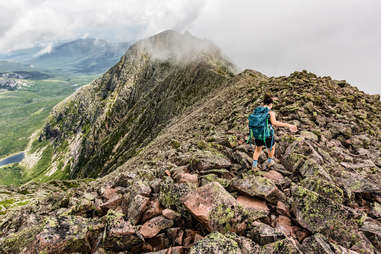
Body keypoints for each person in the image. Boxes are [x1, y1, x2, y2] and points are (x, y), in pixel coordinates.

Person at [250, 94, 297, 171]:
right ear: (270, 104)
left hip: (257, 133)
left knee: (258, 149)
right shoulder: (270, 112)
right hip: (267, 134)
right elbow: (274, 123)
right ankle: (270, 161)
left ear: (263, 103)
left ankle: (254, 166)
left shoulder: (257, 111)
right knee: (272, 147)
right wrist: (288, 125)